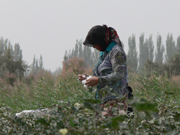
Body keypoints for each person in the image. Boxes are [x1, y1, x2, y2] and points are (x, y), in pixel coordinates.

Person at [78, 25, 130, 117]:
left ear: (102, 41)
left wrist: (98, 80)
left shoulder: (117, 52)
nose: (93, 46)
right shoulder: (105, 54)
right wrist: (88, 78)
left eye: (95, 43)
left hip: (116, 101)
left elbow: (119, 74)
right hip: (103, 101)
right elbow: (103, 75)